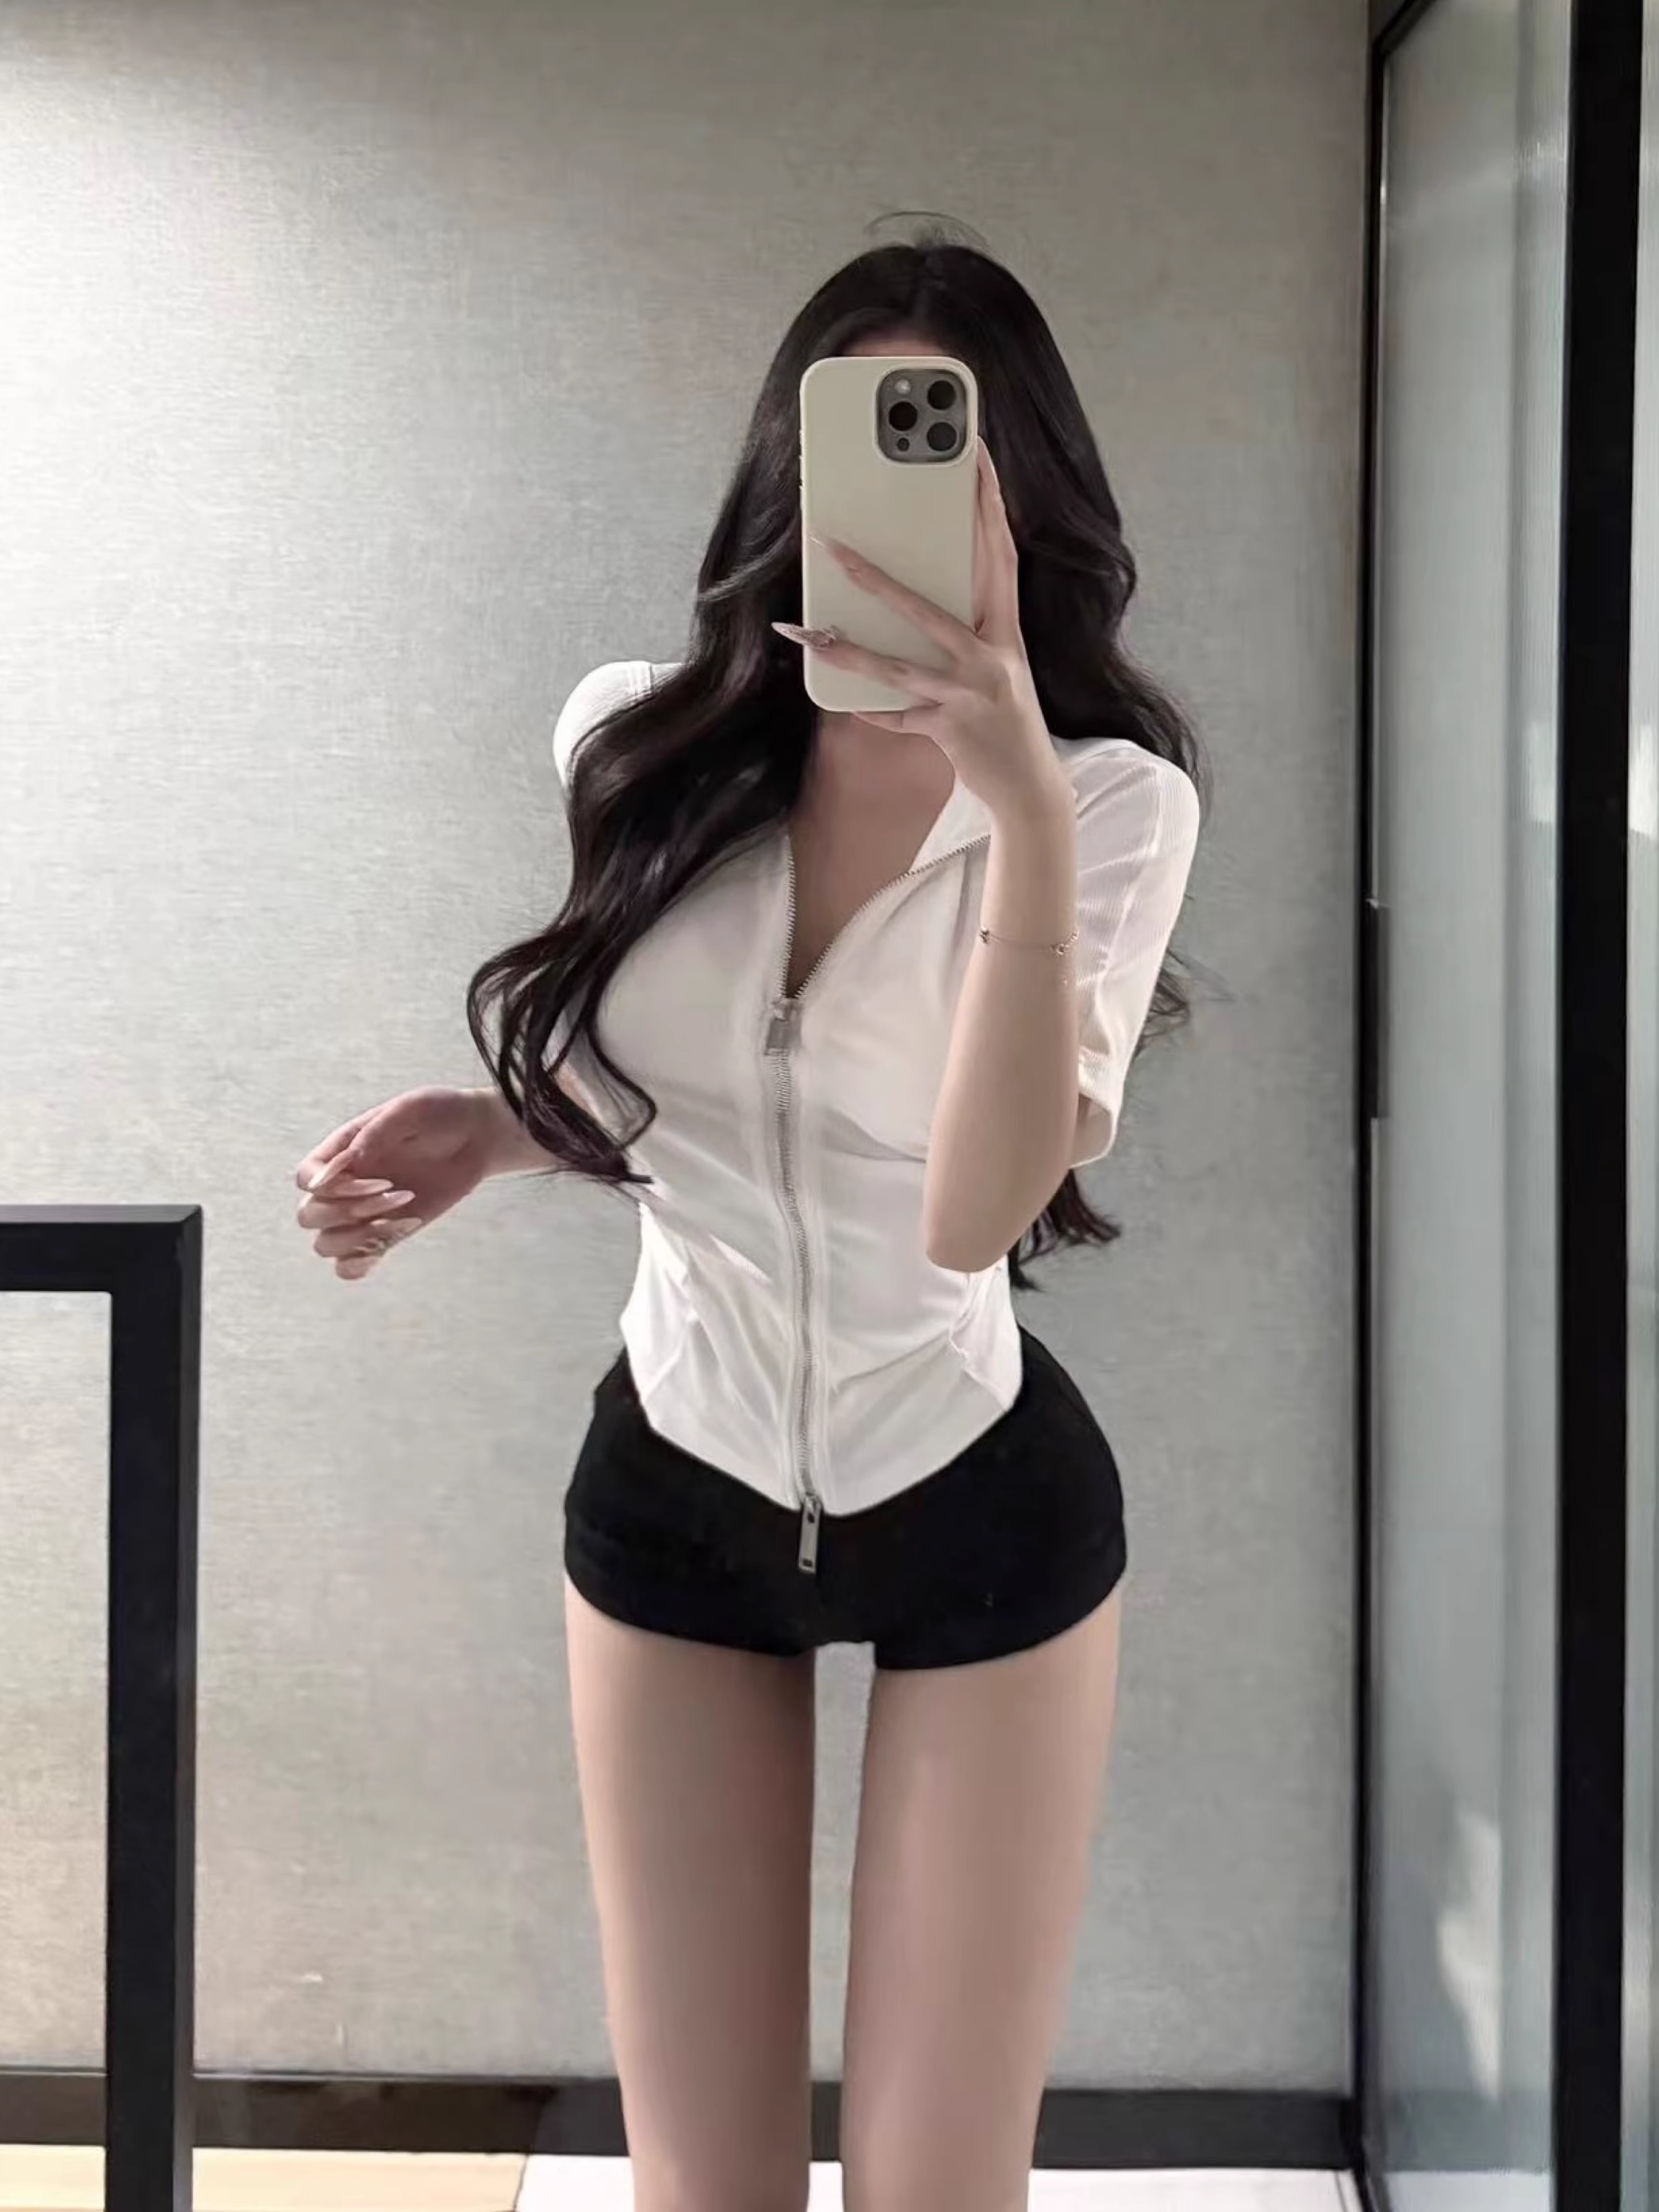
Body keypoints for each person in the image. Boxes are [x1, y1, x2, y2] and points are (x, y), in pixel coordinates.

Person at [293, 235, 1203, 2212]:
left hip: (974, 1492)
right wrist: (507, 1133)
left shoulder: (1107, 805)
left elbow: (969, 1210)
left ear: (1025, 502)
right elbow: (716, 1099)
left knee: (932, 2194)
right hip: (677, 1476)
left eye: (945, 462)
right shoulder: (635, 745)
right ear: (783, 477)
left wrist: (1016, 807)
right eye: (849, 452)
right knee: (702, 2191)